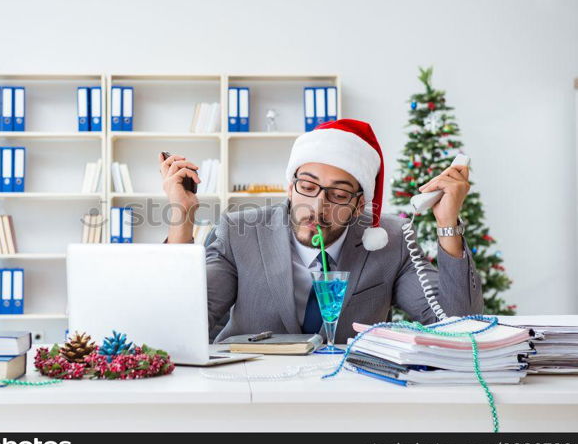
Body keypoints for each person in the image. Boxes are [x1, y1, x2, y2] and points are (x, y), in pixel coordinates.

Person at [159, 119, 483, 343]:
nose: (317, 207)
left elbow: (456, 325)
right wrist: (182, 219)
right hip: (252, 392)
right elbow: (181, 322)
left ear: (359, 205)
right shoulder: (240, 231)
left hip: (348, 397)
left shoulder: (391, 240)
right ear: (289, 188)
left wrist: (447, 224)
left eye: (339, 195)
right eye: (308, 186)